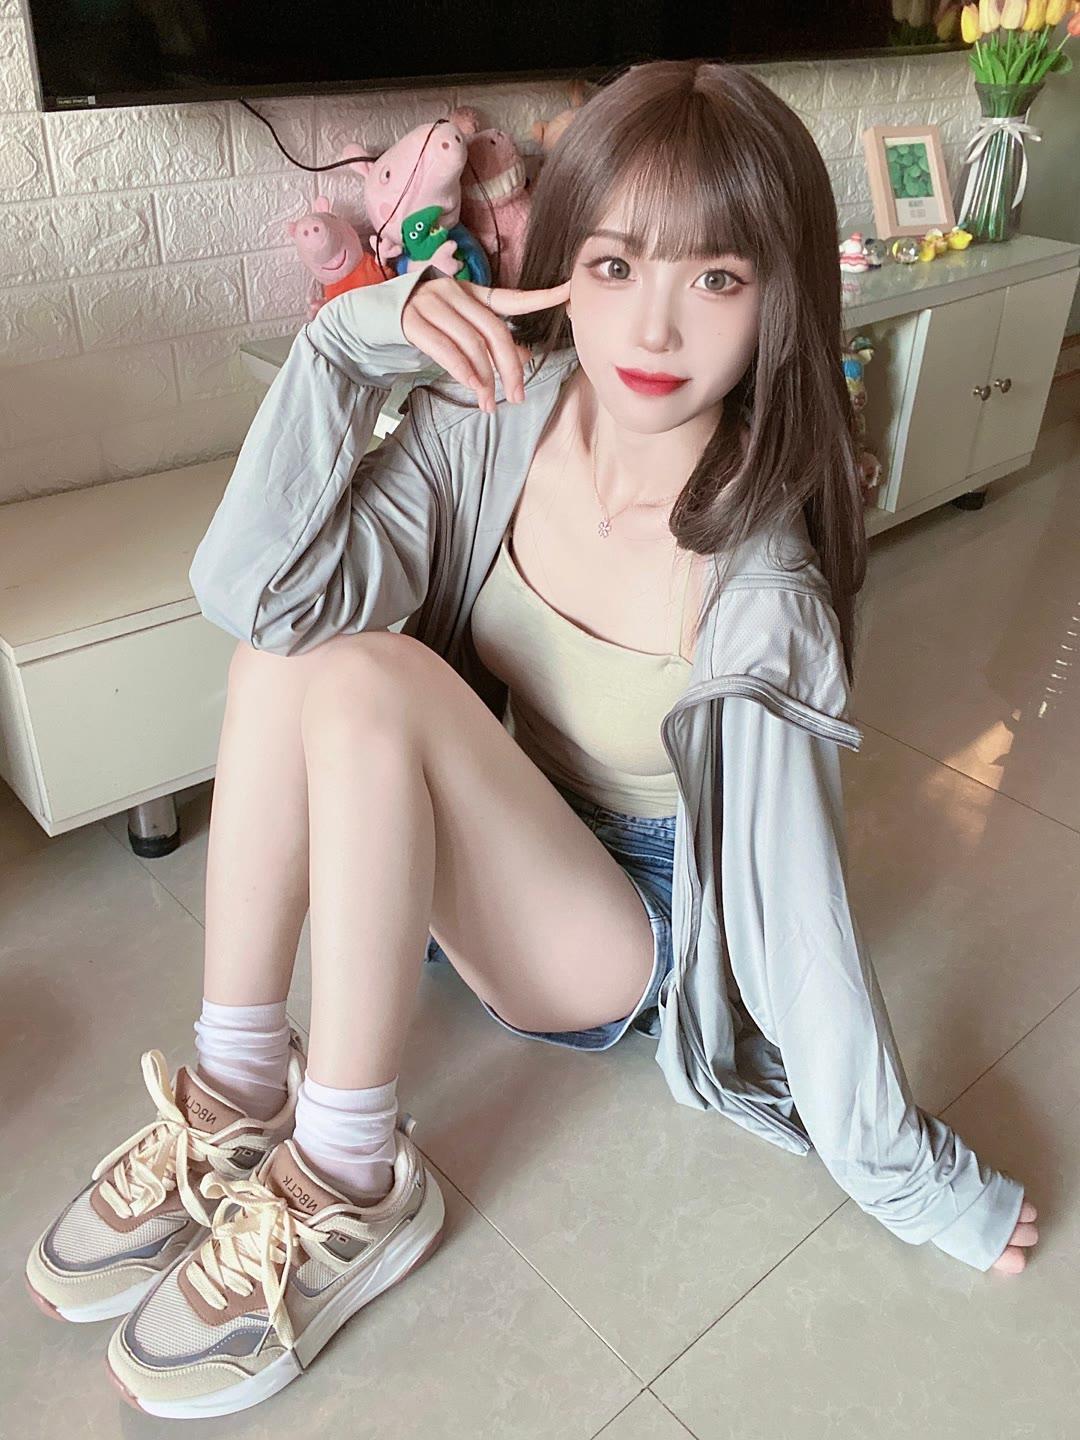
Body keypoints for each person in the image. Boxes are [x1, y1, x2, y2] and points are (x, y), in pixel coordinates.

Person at [25, 57, 1037, 1419]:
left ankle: (351, 1175)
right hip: (483, 844)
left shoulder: (762, 583)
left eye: (717, 278)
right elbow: (258, 595)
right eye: (615, 265)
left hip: (625, 931)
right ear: (562, 267)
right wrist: (341, 350)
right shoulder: (495, 419)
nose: (654, 326)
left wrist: (915, 1180)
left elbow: (797, 912)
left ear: (779, 299)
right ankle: (236, 1088)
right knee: (297, 647)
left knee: (369, 677)